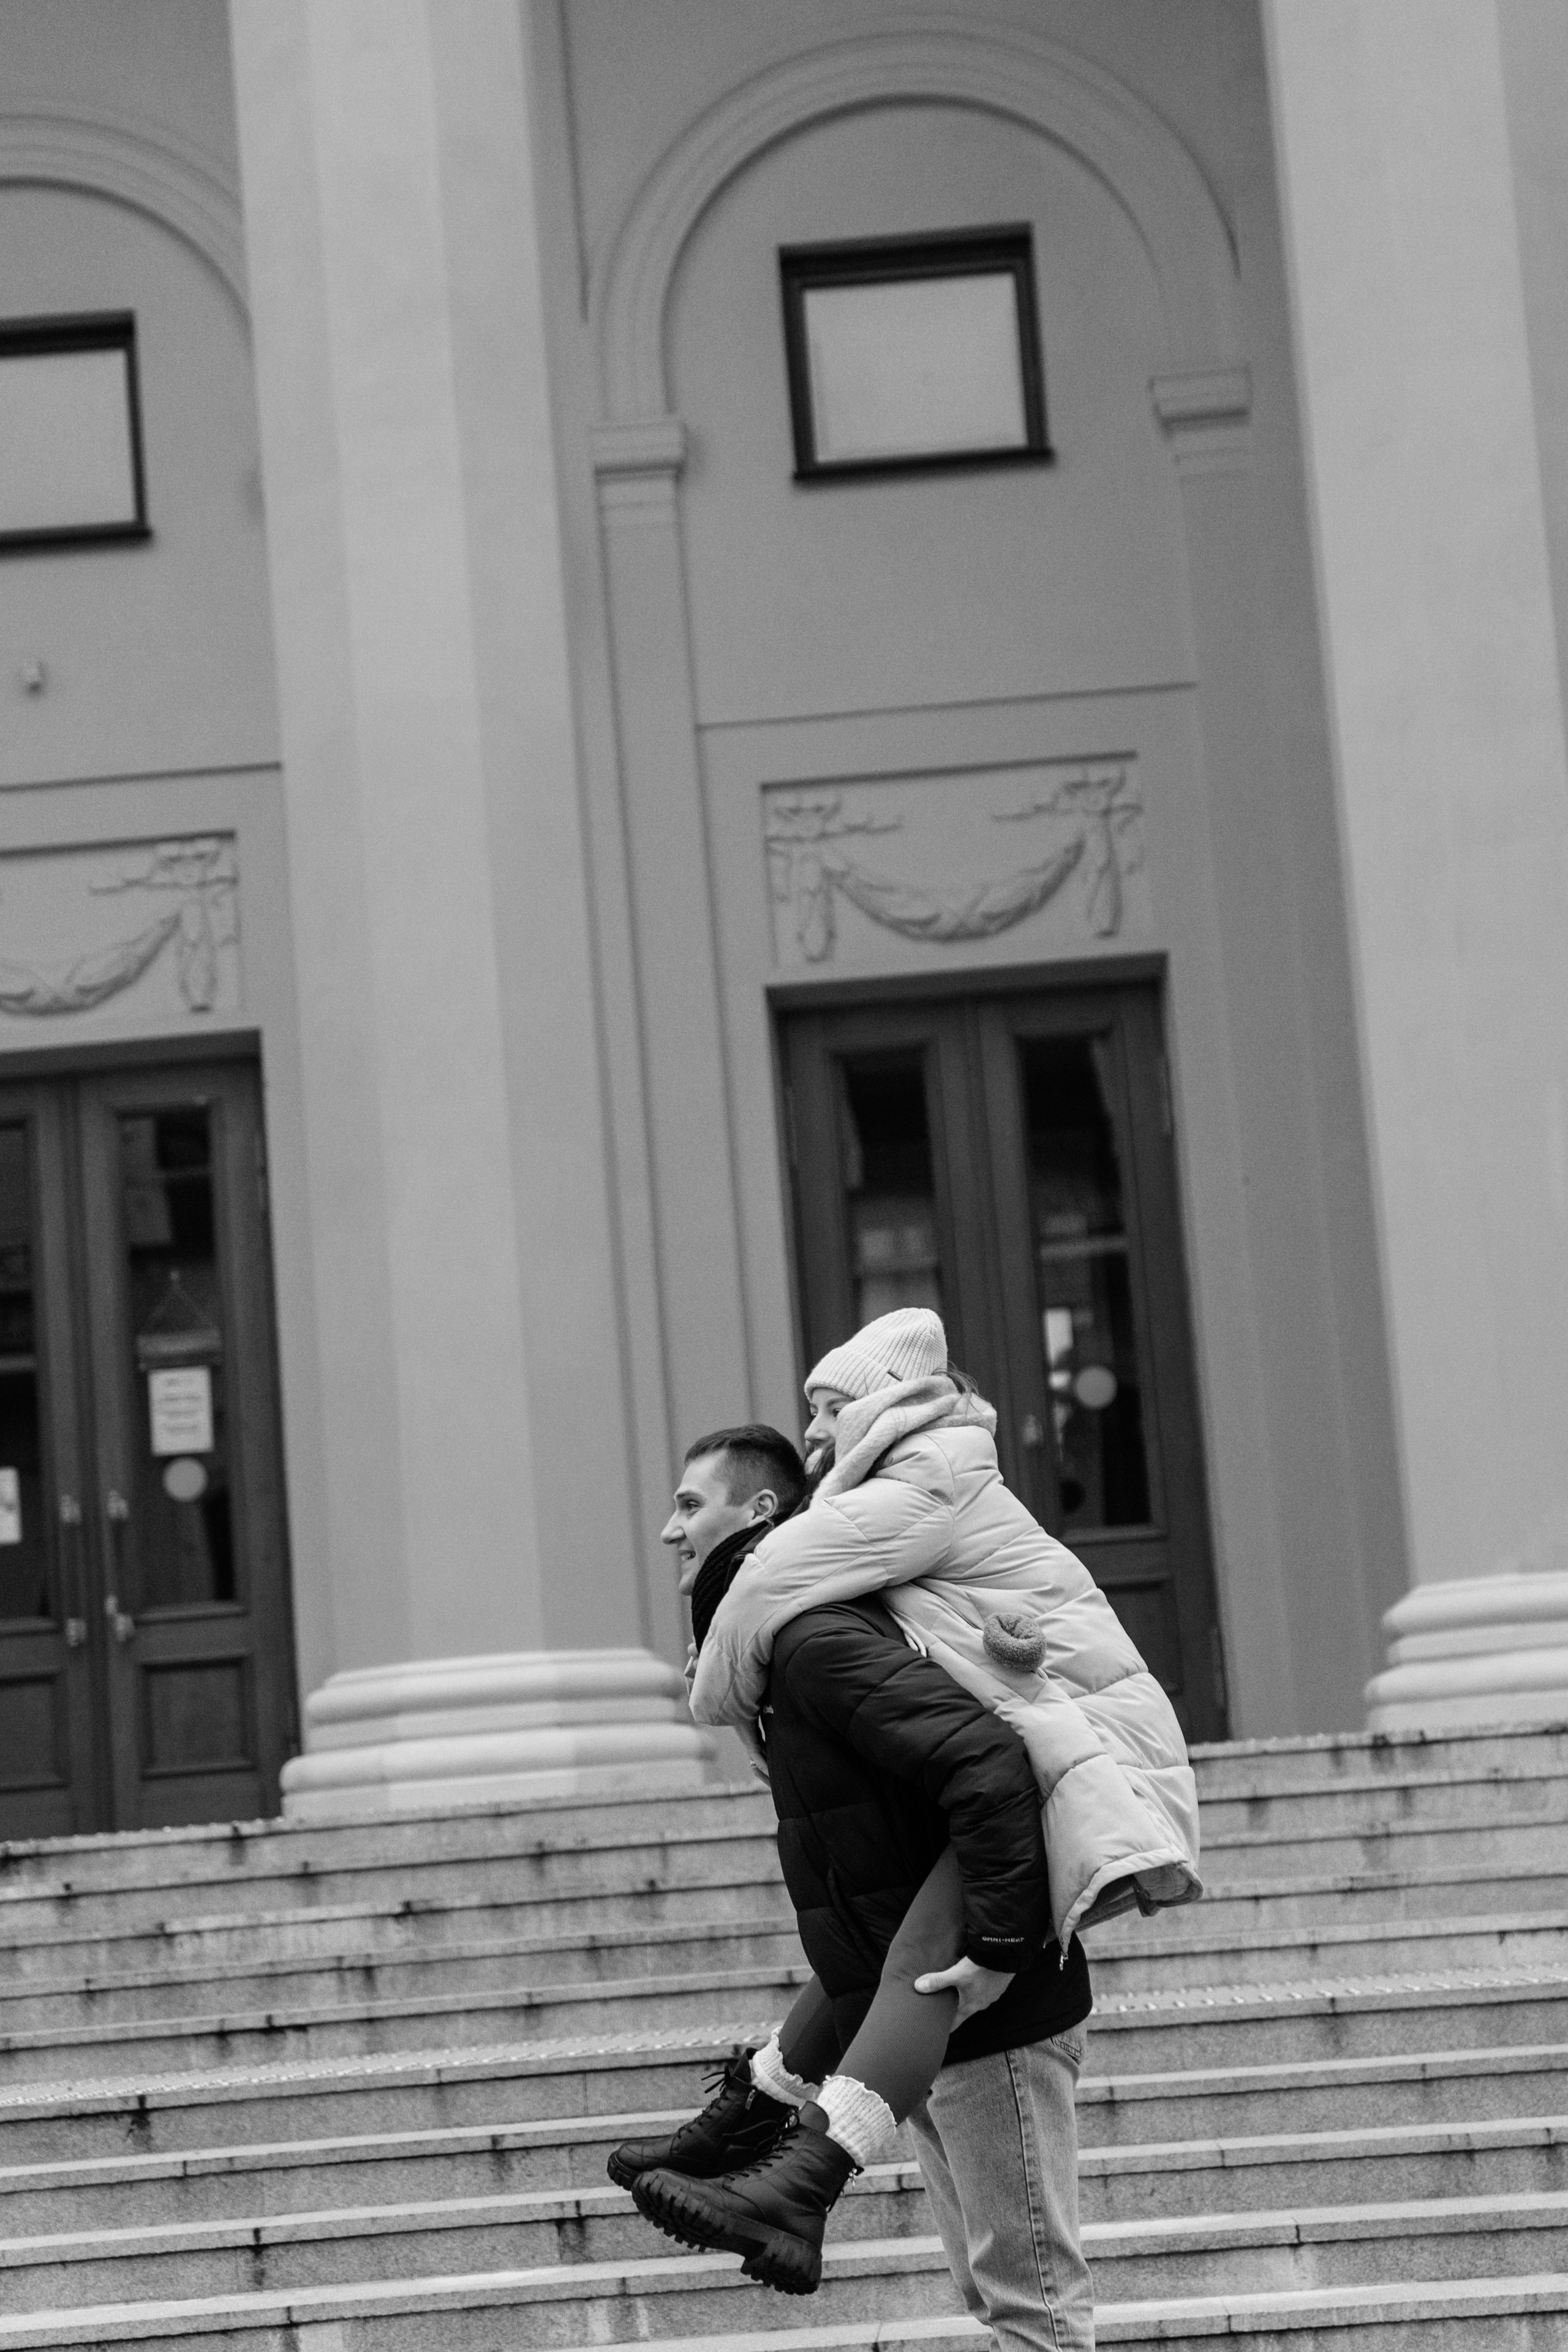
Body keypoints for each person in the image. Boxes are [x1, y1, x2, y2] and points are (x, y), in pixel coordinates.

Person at [612, 1422, 1096, 2350]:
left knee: (1031, 2305)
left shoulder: (812, 1638)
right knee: (1000, 2301)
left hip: (994, 2014)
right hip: (930, 2027)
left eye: (688, 1506)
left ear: (759, 1513)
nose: (672, 1532)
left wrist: (995, 1951)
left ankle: (774, 2152)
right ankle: (755, 2124)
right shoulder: (776, 1653)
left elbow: (989, 1766)